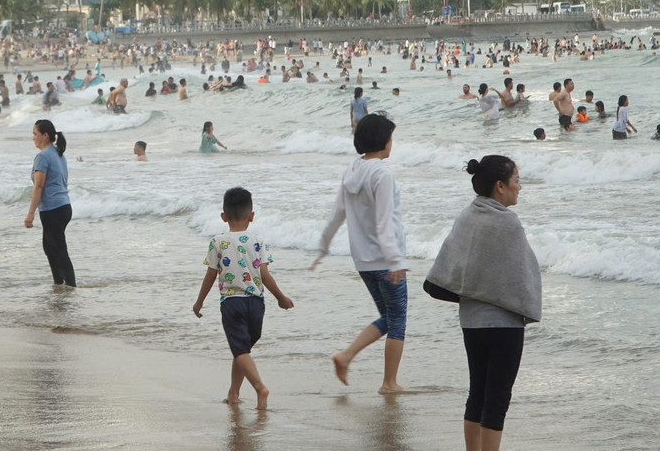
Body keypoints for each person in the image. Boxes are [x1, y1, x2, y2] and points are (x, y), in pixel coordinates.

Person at [425, 156, 541, 451]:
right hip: (503, 326)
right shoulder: (508, 222)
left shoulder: (467, 215)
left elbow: (455, 267)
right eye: (516, 181)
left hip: (471, 322)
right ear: (500, 186)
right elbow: (519, 278)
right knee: (497, 399)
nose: (520, 187)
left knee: (477, 393)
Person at [311, 113, 408, 394]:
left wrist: (323, 248)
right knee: (398, 320)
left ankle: (346, 356)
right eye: (391, 137)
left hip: (363, 261)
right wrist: (395, 260)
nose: (392, 143)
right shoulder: (382, 173)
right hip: (384, 259)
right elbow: (384, 221)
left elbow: (336, 215)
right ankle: (389, 383)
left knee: (389, 317)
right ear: (383, 140)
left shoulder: (352, 170)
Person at [191, 186, 294, 410]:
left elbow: (210, 274)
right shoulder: (258, 240)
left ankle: (260, 388)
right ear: (252, 215)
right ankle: (234, 393)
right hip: (257, 304)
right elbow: (264, 274)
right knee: (243, 349)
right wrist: (281, 297)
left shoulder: (217, 241)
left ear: (223, 216)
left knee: (240, 350)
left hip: (231, 303)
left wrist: (199, 302)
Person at [24, 119, 75, 287]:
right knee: (51, 248)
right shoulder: (58, 154)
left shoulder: (43, 156)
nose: (33, 138)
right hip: (64, 206)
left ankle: (70, 287)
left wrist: (30, 213)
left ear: (45, 136)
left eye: (35, 134)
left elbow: (39, 186)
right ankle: (59, 285)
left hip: (53, 209)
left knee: (58, 249)